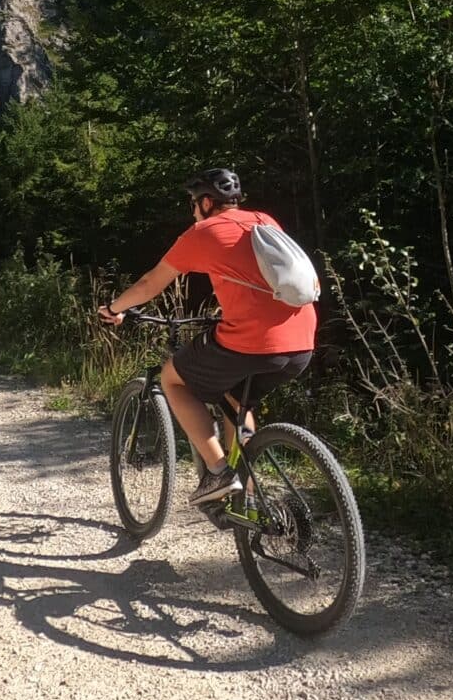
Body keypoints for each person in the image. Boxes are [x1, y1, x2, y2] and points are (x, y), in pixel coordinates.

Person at [98, 169, 315, 505]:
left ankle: (218, 472)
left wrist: (114, 308)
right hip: (302, 340)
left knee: (174, 380)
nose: (192, 211)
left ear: (207, 202)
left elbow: (149, 284)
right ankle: (250, 496)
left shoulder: (203, 231)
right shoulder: (265, 221)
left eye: (193, 204)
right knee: (235, 397)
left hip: (251, 342)